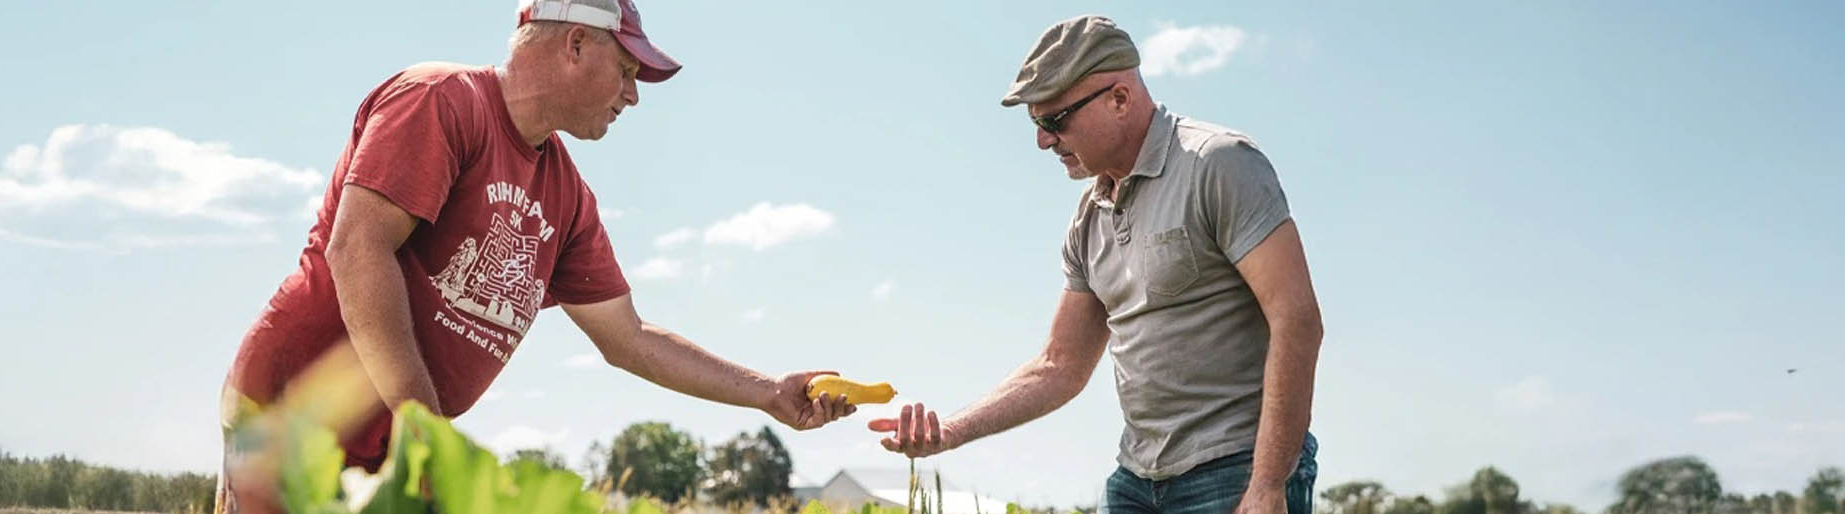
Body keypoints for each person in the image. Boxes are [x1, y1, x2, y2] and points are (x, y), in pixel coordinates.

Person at [216, 1, 854, 512]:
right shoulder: (442, 100)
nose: (633, 96)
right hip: (295, 422)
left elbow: (628, 338)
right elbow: (358, 249)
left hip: (394, 452)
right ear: (576, 43)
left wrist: (769, 393)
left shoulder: (568, 196)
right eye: (628, 72)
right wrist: (429, 439)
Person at [868, 15, 1325, 514]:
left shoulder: (1218, 164)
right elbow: (1059, 365)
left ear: (1120, 99)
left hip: (1235, 471)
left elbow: (1297, 319)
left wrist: (1266, 484)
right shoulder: (1089, 217)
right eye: (1036, 124)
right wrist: (951, 432)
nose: (1043, 141)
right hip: (1137, 480)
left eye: (1054, 121)